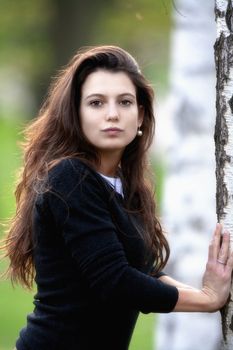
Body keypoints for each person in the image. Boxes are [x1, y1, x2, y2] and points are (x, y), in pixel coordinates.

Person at [2, 45, 233, 350]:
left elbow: (144, 274)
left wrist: (207, 291)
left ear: (140, 116)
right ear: (76, 113)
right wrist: (205, 300)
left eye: (125, 102)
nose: (112, 114)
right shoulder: (70, 177)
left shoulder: (127, 187)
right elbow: (116, 282)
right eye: (96, 103)